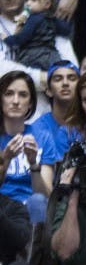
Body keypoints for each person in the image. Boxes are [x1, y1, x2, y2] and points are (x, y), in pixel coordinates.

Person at [0, 70, 55, 206]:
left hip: (31, 210)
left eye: (23, 95)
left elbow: (46, 195)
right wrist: (5, 160)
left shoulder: (43, 136)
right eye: (9, 94)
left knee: (38, 201)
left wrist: (33, 164)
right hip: (2, 209)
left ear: (30, 103)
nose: (16, 101)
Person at [4, 0, 68, 71]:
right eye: (26, 0)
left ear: (47, 4)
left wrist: (8, 39)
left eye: (33, 0)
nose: (28, 4)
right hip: (52, 55)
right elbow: (65, 30)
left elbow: (23, 37)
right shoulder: (52, 19)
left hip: (33, 55)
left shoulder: (33, 19)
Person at [32, 59, 77, 141]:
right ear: (48, 91)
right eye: (58, 79)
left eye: (72, 78)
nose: (65, 83)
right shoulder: (38, 129)